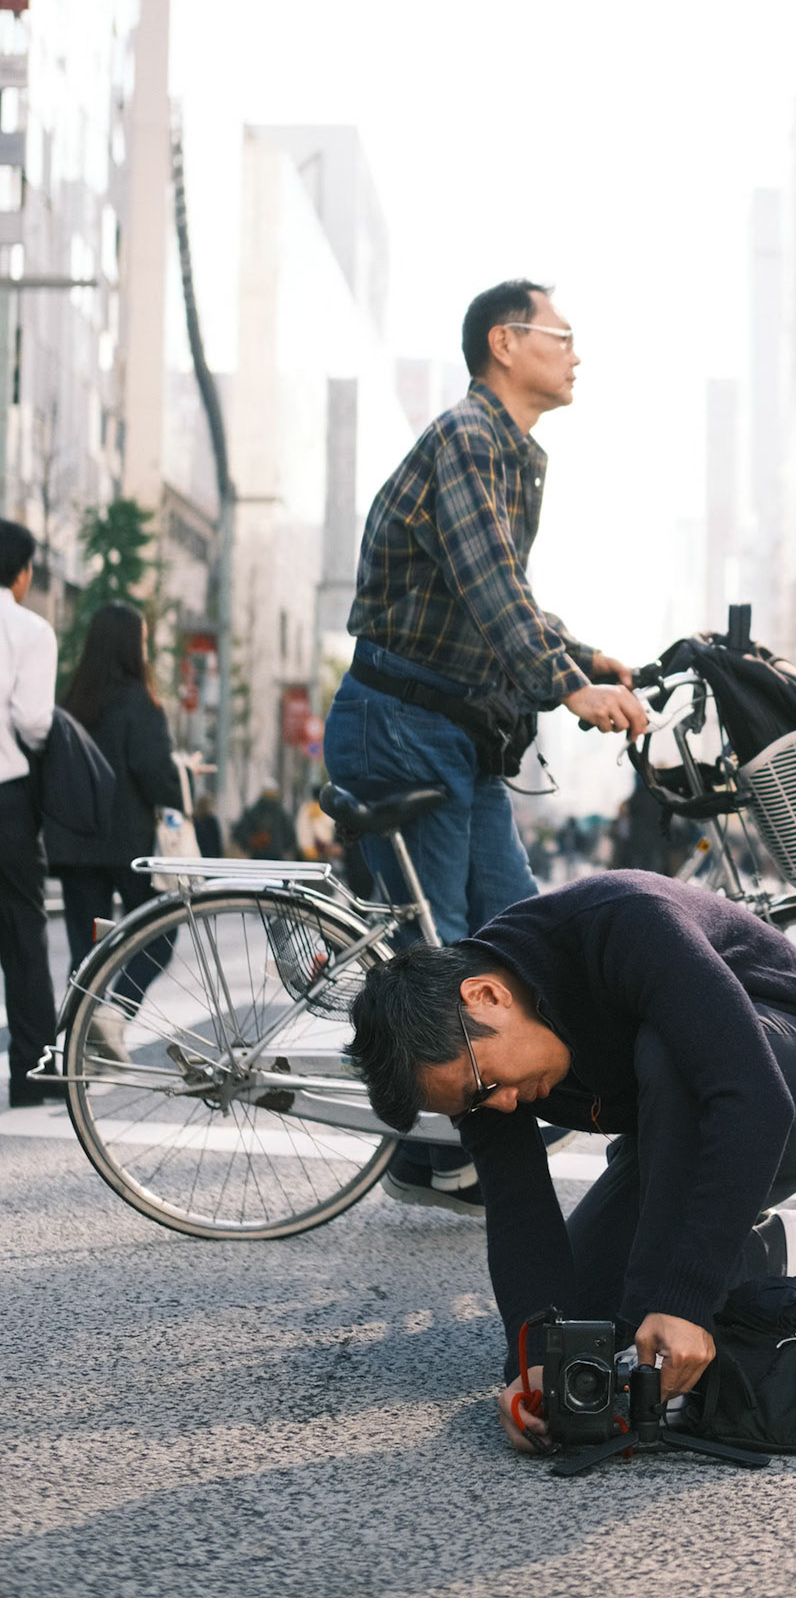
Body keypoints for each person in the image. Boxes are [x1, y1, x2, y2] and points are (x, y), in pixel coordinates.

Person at [344, 870, 796, 1452]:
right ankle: (761, 1247)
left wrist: (684, 1302)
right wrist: (532, 1373)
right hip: (682, 1128)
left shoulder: (626, 922)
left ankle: (708, 1275)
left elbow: (753, 1100)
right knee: (582, 1325)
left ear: (487, 996)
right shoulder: (470, 1058)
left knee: (666, 1057)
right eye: (473, 1105)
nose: (498, 1105)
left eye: (485, 1085)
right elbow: (516, 1205)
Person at [323, 279, 646, 1214]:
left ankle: (465, 1139)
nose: (575, 353)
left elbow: (502, 589)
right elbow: (489, 586)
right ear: (507, 343)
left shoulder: (508, 451)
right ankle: (427, 1147)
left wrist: (582, 654)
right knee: (448, 953)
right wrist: (568, 685)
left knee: (514, 934)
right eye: (563, 336)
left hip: (456, 730)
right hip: (404, 719)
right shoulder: (469, 436)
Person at [47, 600, 196, 1059]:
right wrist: (182, 782)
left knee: (86, 952)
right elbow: (154, 773)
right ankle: (116, 1014)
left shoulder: (71, 703)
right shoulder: (139, 703)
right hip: (127, 846)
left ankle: (70, 1048)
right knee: (159, 931)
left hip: (76, 845)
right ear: (134, 647)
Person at [0, 520, 62, 1109]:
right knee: (22, 932)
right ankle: (31, 1071)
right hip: (7, 797)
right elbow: (34, 721)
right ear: (21, 574)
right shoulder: (29, 629)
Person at [232, 784, 296, 860]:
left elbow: (239, 833)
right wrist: (281, 847)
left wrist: (249, 845)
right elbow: (290, 836)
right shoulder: (281, 813)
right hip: (277, 857)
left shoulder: (253, 811)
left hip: (257, 855)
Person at [294, 784, 337, 861]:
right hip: (324, 849)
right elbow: (330, 826)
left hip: (307, 848)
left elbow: (300, 827)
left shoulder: (305, 809)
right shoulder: (326, 809)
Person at [192, 788, 225, 860]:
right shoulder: (212, 820)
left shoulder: (196, 821)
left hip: (200, 854)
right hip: (212, 856)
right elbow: (217, 842)